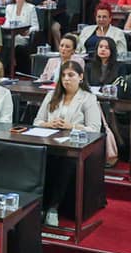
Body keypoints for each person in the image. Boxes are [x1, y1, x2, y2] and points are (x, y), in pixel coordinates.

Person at [34, 61, 107, 226]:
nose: (66, 79)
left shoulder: (88, 98)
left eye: (71, 75)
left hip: (75, 147)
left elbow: (95, 129)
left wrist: (71, 126)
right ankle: (38, 206)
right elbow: (37, 121)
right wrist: (48, 124)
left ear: (80, 77)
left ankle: (53, 208)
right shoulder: (52, 95)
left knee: (66, 161)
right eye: (64, 75)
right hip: (51, 142)